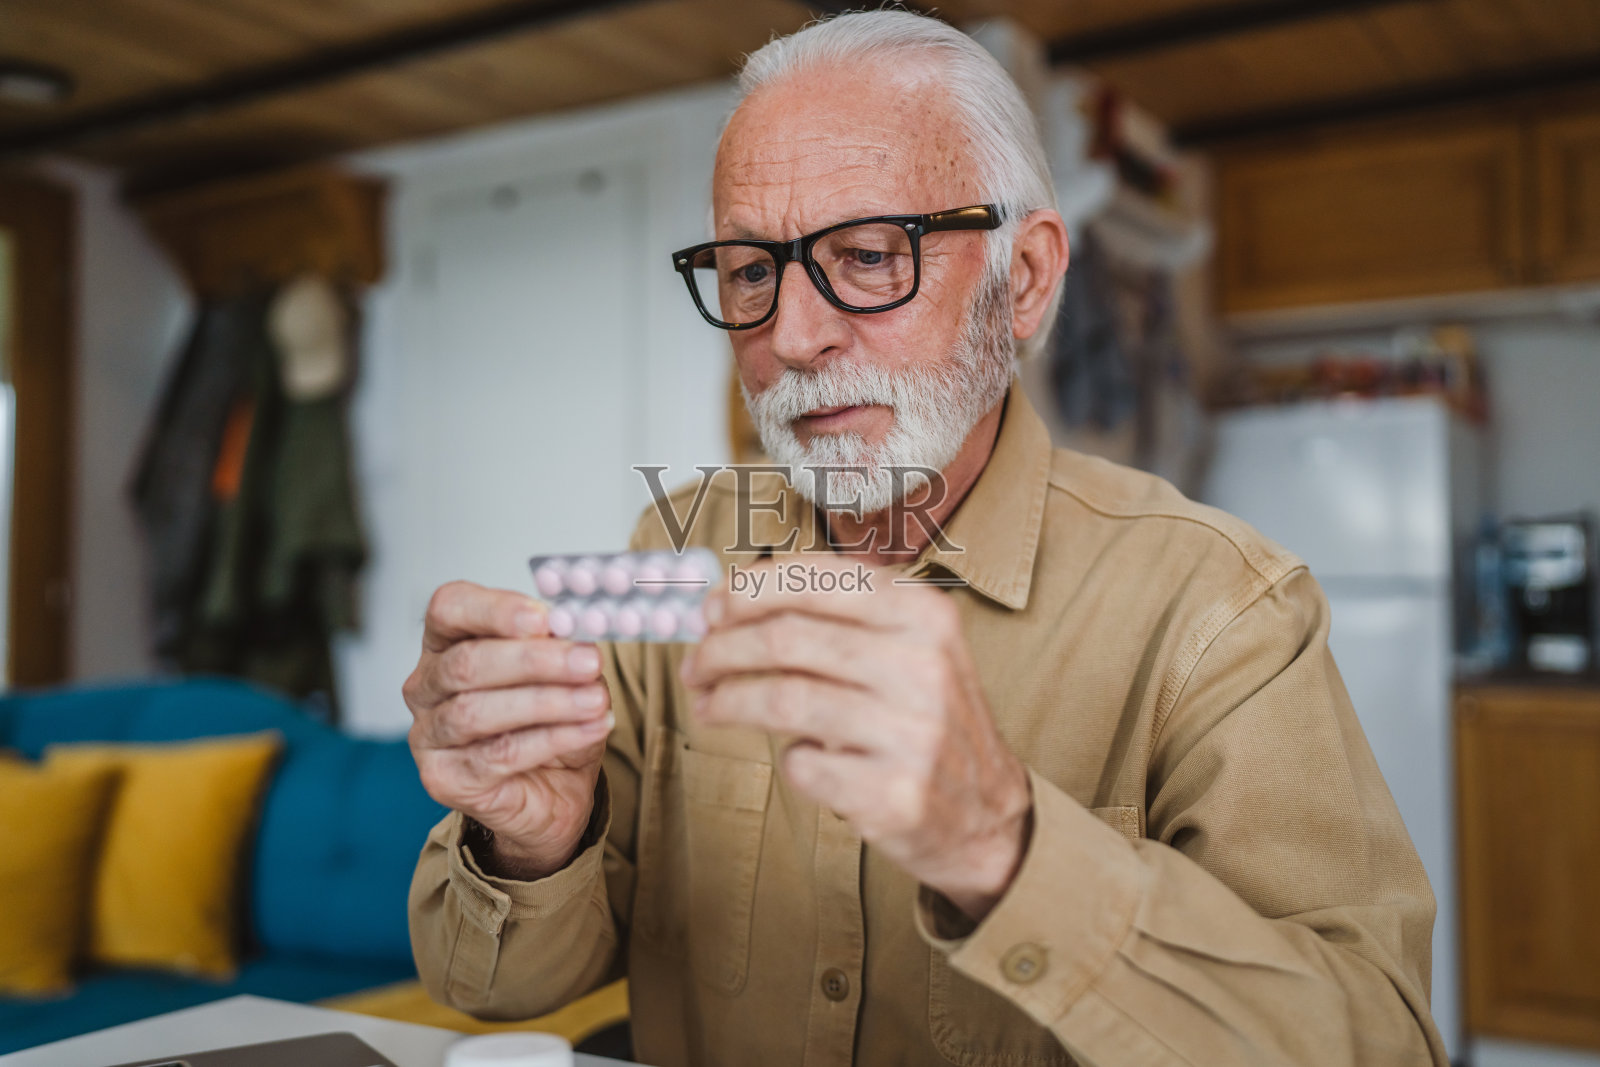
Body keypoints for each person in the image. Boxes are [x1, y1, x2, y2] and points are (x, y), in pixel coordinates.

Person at [404, 11, 1447, 1066]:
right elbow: (492, 985)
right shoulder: (672, 547)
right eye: (750, 271)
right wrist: (532, 843)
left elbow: (1382, 1048)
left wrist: (1005, 846)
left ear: (1026, 279)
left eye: (865, 255)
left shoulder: (1220, 613)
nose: (791, 337)